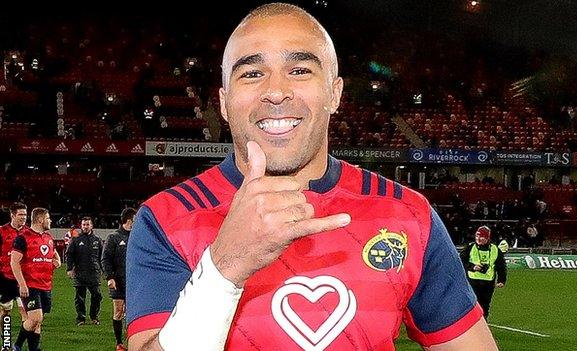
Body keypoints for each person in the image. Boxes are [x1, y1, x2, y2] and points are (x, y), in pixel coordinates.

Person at [126, 3, 498, 350]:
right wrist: (224, 268)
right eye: (252, 73)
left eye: (300, 70)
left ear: (334, 93)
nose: (275, 91)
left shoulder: (408, 214)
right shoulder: (166, 218)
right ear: (223, 103)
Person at [10, 207, 61, 351]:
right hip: (30, 285)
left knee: (38, 322)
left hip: (46, 285)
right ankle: (17, 345)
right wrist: (22, 285)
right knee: (35, 318)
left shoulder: (48, 238)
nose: (50, 221)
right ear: (40, 219)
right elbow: (14, 262)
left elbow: (55, 256)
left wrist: (57, 262)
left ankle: (34, 349)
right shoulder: (23, 237)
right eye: (48, 218)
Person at [102, 208, 136, 351]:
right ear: (129, 220)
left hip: (135, 282)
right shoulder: (114, 237)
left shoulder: (137, 236)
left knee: (133, 313)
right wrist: (110, 277)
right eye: (135, 219)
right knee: (118, 311)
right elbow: (105, 259)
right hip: (118, 282)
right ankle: (119, 343)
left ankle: (132, 342)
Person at [461, 226, 507, 320]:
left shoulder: (495, 249)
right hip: (473, 280)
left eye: (481, 237)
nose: (478, 239)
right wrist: (472, 267)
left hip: (488, 282)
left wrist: (501, 280)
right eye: (477, 236)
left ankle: (483, 323)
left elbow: (501, 265)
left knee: (485, 305)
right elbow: (461, 261)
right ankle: (471, 324)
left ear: (487, 238)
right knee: (473, 304)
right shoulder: (470, 247)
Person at [65, 216, 103, 325]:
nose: (85, 227)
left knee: (97, 295)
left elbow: (102, 256)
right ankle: (81, 318)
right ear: (81, 226)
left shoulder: (97, 240)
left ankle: (94, 316)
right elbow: (69, 255)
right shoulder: (76, 239)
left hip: (94, 272)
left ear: (91, 226)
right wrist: (69, 269)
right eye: (83, 225)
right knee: (80, 297)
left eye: (87, 224)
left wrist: (103, 269)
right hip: (80, 272)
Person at [0, 203, 28, 345]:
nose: (24, 217)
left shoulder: (29, 232)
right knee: (6, 312)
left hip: (25, 279)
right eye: (20, 215)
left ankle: (22, 345)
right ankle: (6, 343)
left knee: (28, 314)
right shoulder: (2, 231)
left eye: (25, 214)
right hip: (7, 278)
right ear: (12, 215)